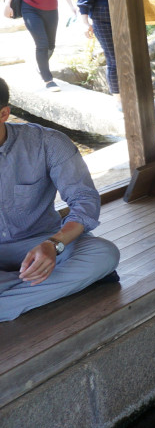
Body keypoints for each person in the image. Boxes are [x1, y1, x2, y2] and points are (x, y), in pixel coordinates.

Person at [0, 77, 120, 321]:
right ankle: (43, 287)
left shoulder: (47, 143)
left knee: (104, 254)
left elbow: (84, 201)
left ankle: (10, 300)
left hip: (43, 242)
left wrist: (54, 244)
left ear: (3, 113)